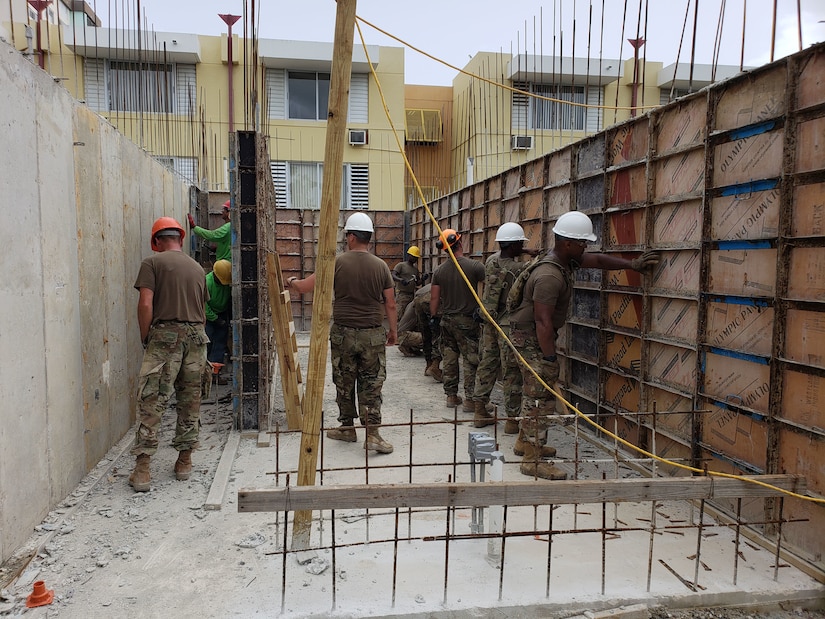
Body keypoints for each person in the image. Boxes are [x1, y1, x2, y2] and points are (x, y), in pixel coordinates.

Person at [508, 211, 660, 480]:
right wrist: (549, 359)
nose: (586, 247)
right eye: (582, 243)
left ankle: (525, 442)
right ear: (567, 243)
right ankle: (533, 459)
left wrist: (632, 265)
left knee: (534, 391)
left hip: (532, 334)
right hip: (532, 338)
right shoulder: (549, 276)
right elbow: (543, 322)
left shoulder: (564, 260)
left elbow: (598, 260)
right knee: (540, 396)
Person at [129, 217, 210, 492]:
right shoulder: (198, 269)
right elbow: (203, 313)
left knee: (151, 400)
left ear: (156, 241)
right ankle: (184, 462)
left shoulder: (151, 263)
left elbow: (145, 303)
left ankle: (142, 471)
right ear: (181, 238)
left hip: (165, 336)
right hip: (197, 339)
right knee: (190, 400)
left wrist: (146, 337)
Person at [326, 212, 398, 454]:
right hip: (372, 334)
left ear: (353, 236)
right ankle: (373, 434)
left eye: (347, 235)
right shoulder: (381, 267)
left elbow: (310, 286)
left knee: (344, 381)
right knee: (371, 385)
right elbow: (390, 303)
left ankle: (346, 428)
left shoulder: (336, 263)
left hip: (343, 333)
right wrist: (393, 332)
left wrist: (293, 282)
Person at [471, 223, 538, 432]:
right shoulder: (519, 268)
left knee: (487, 364)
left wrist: (522, 249)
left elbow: (504, 253)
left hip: (489, 321)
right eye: (520, 243)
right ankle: (512, 420)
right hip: (507, 324)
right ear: (515, 244)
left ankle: (479, 411)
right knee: (511, 372)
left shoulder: (491, 261)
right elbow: (537, 267)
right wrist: (530, 254)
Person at [429, 229, 485, 412]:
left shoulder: (439, 271)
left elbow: (434, 299)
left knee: (450, 357)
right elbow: (485, 294)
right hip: (468, 321)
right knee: (470, 359)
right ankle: (470, 400)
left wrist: (433, 317)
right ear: (459, 243)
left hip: (447, 321)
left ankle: (451, 396)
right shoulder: (475, 267)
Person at [205, 259, 232, 383]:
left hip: (222, 313)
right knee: (207, 343)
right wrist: (215, 319)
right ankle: (204, 377)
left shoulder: (227, 281)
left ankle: (215, 375)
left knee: (220, 344)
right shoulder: (207, 282)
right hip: (208, 316)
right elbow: (203, 305)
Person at [392, 246, 423, 320]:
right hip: (402, 294)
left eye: (416, 257)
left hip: (411, 295)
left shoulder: (415, 270)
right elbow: (393, 275)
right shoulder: (401, 265)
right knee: (399, 314)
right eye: (413, 257)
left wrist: (423, 279)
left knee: (408, 315)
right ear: (409, 255)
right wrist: (401, 280)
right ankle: (397, 329)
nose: (415, 259)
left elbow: (418, 283)